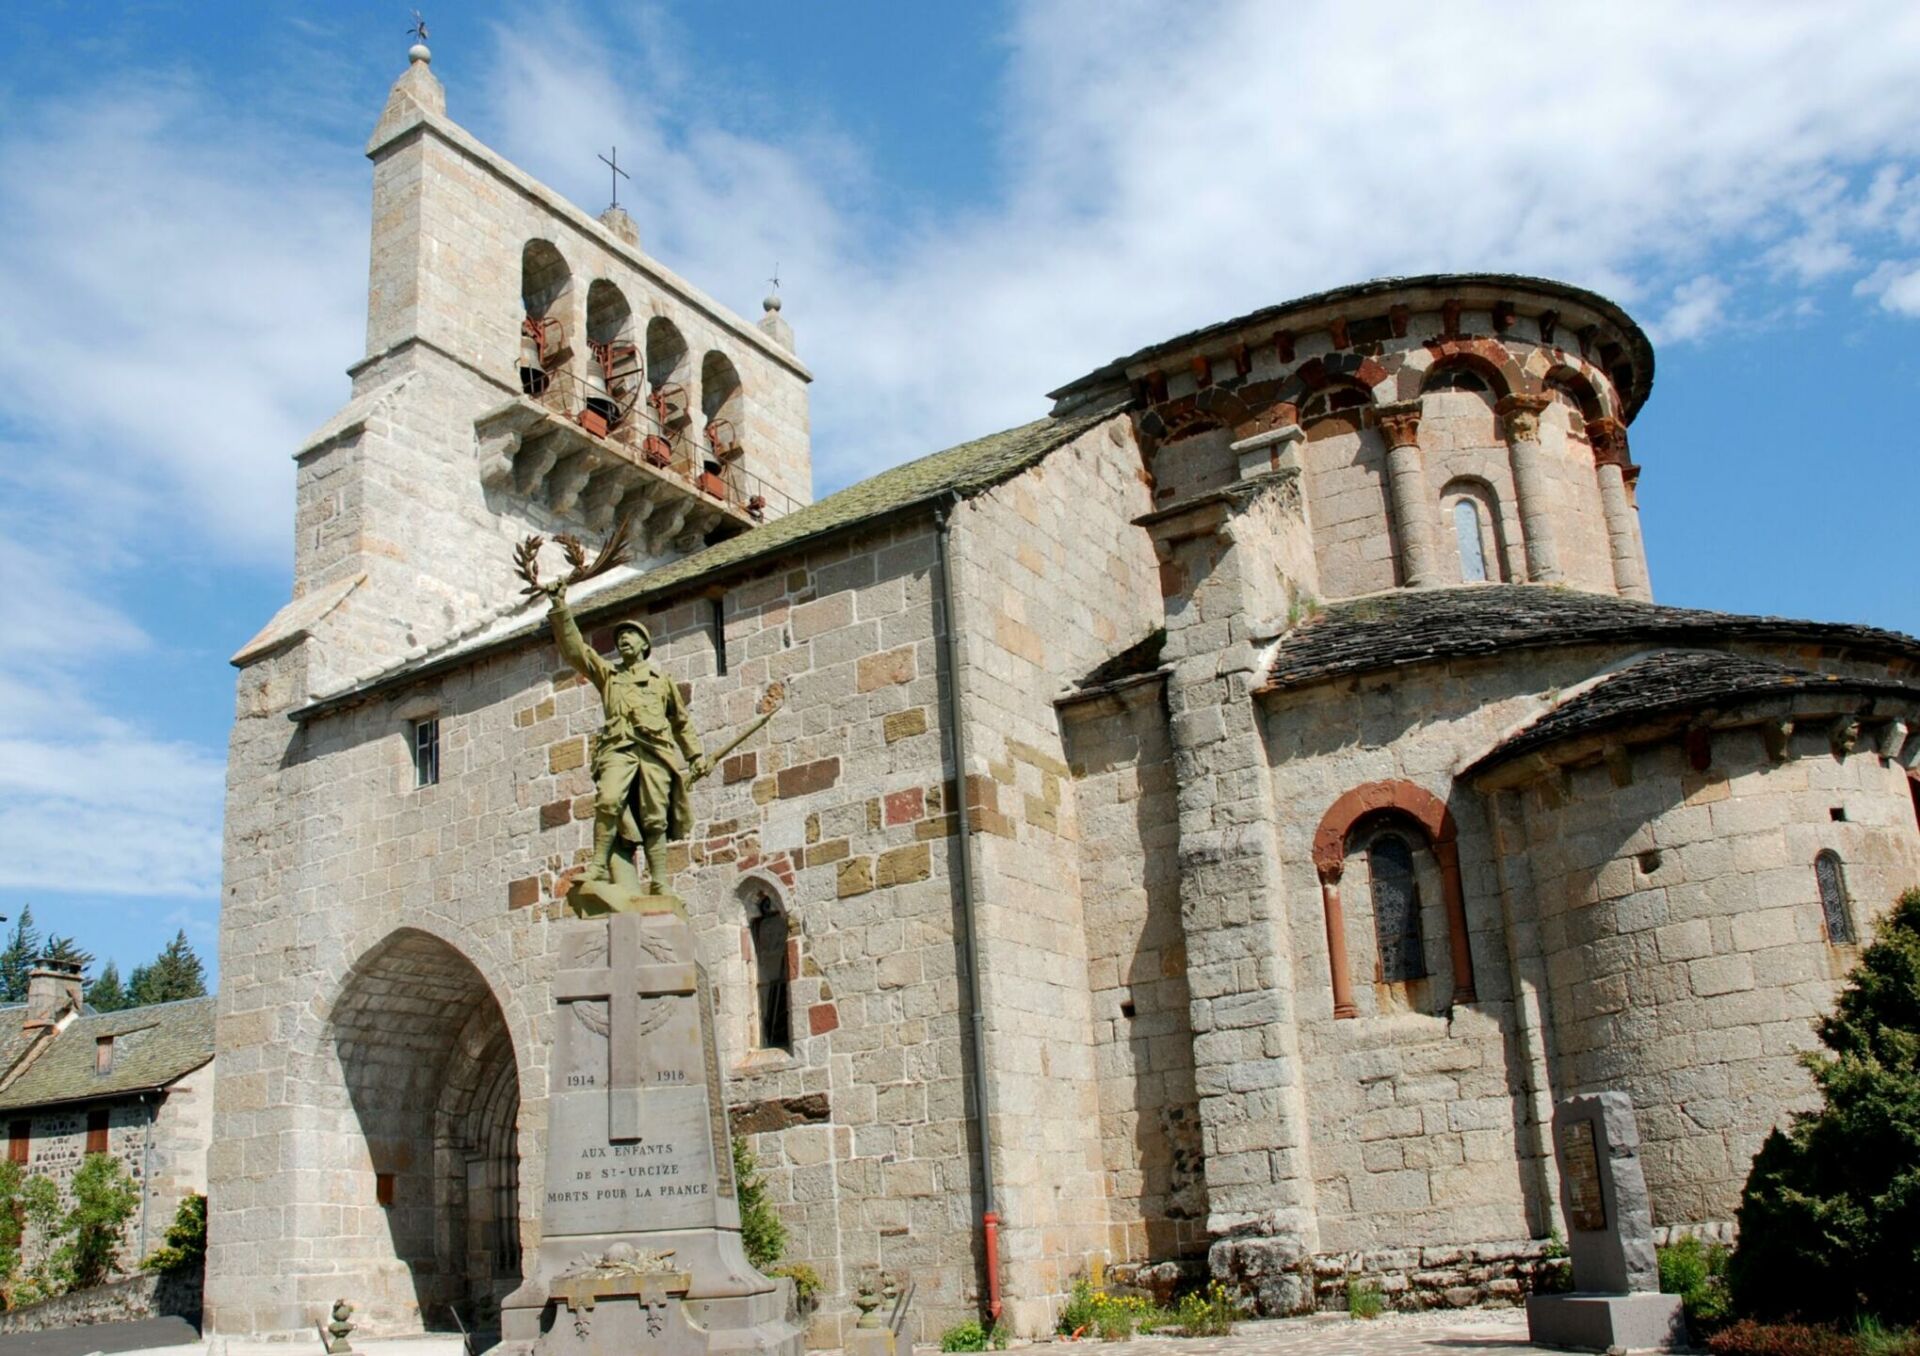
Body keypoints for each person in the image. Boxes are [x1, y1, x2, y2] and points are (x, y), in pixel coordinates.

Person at [545, 584, 711, 893]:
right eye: (620, 635)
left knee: (654, 817)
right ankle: (597, 866)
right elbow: (574, 650)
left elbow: (681, 721)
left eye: (630, 634)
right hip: (618, 749)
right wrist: (559, 607)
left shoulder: (662, 682)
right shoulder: (608, 674)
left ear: (644, 644)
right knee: (608, 800)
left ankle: (659, 881)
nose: (623, 638)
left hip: (656, 752)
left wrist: (695, 756)